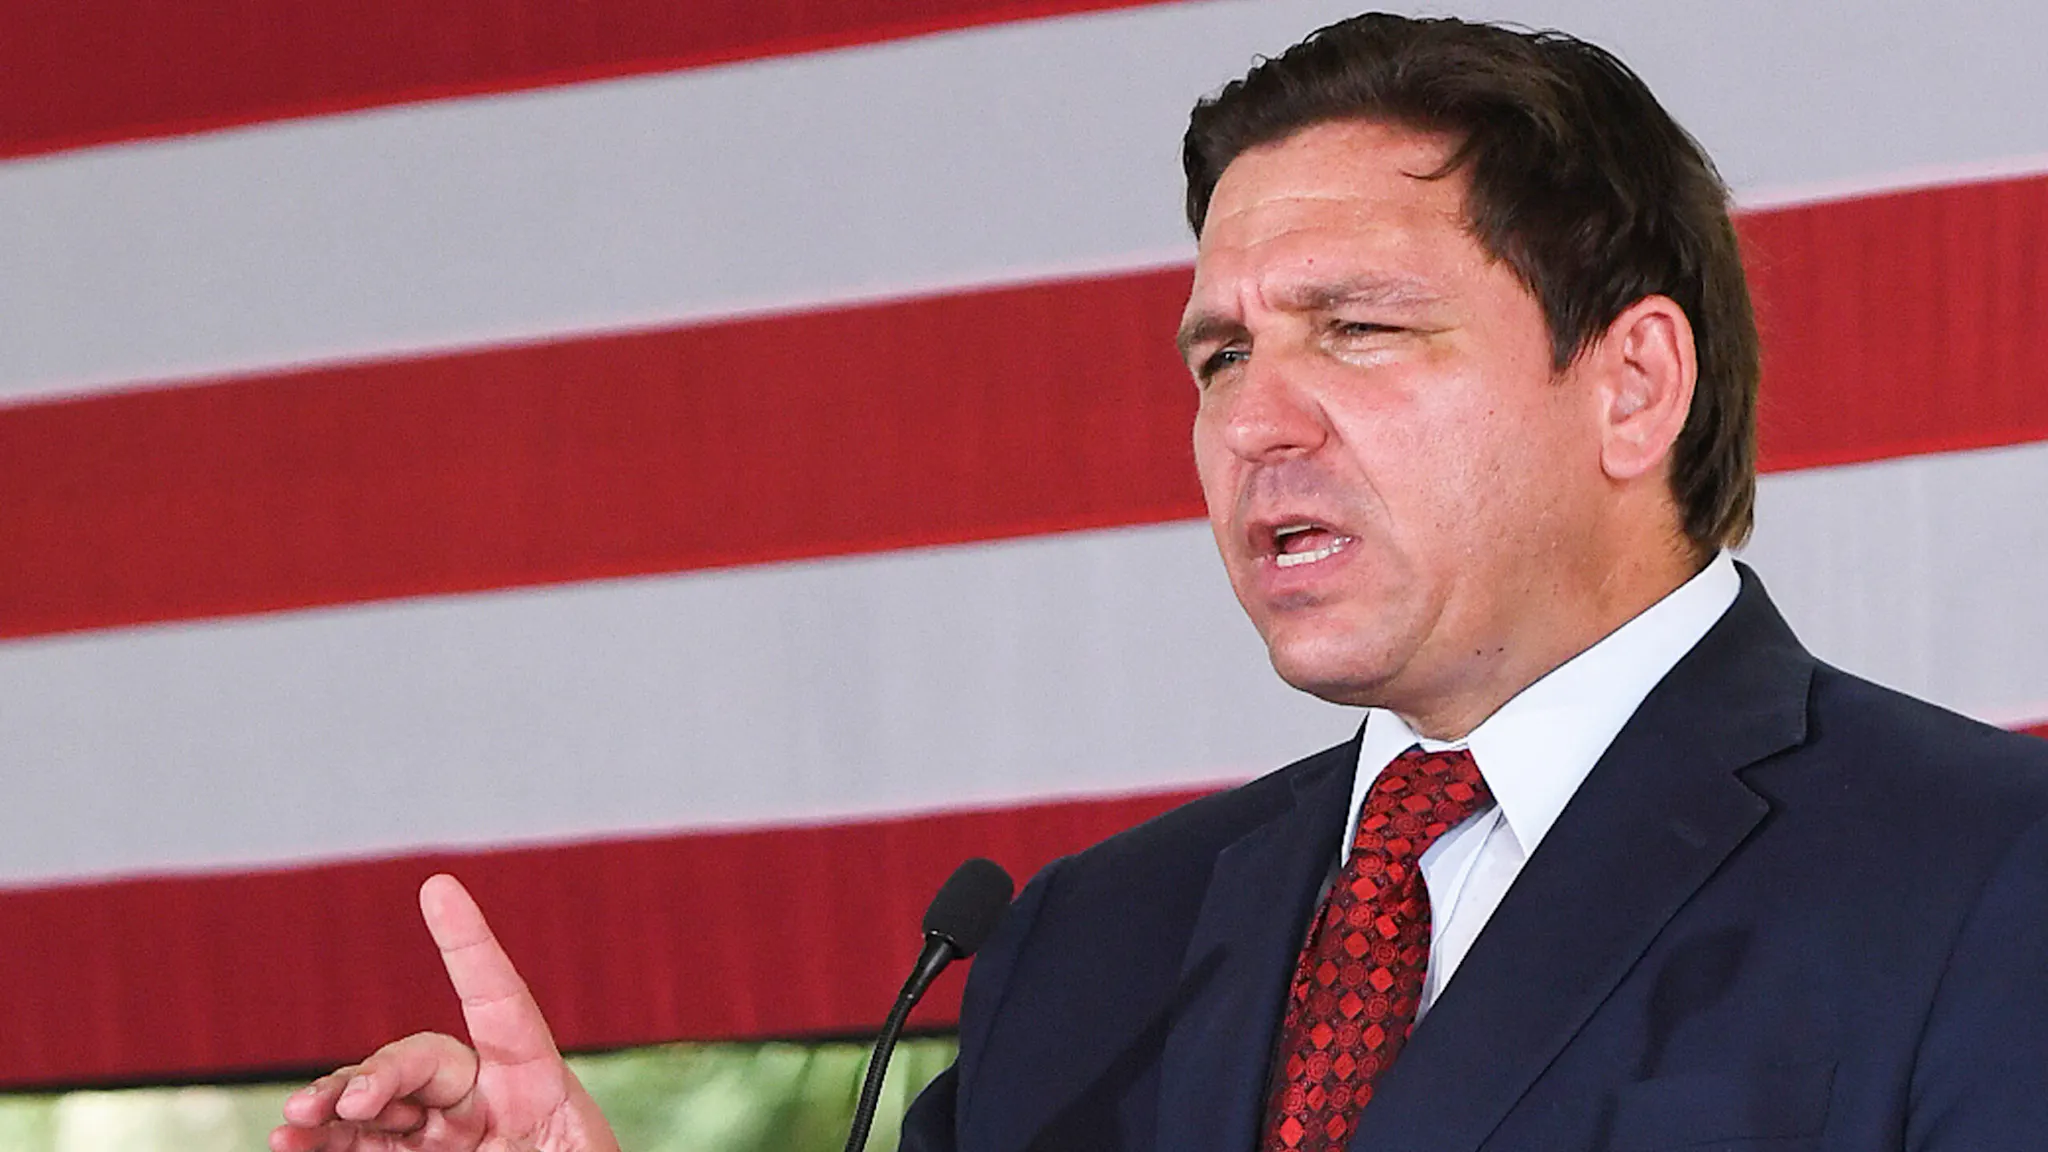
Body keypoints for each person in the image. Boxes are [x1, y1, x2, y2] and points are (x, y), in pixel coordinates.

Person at [272, 13, 2048, 1152]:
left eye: (1356, 330)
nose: (1255, 420)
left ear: (1632, 383)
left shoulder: (1983, 873)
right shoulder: (1081, 943)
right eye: (1216, 357)